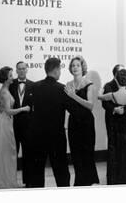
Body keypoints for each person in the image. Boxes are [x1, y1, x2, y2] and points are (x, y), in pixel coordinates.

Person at [28, 58, 75, 188]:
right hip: (56, 135)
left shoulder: (34, 87)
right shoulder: (62, 89)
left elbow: (29, 110)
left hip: (37, 135)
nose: (60, 71)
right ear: (56, 70)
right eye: (60, 69)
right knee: (61, 171)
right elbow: (72, 109)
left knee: (37, 170)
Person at [0, 66, 31, 189]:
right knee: (5, 152)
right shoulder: (4, 91)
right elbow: (8, 111)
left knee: (4, 152)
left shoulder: (4, 90)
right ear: (5, 79)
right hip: (3, 123)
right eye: (10, 76)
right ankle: (2, 181)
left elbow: (1, 106)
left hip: (4, 122)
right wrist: (23, 108)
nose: (12, 77)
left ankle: (2, 179)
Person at [64, 56, 99, 186]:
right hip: (74, 123)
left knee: (87, 154)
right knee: (75, 154)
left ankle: (89, 182)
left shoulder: (89, 84)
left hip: (86, 123)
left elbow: (90, 105)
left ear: (82, 67)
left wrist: (73, 96)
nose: (75, 68)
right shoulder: (68, 85)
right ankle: (80, 183)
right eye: (73, 65)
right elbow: (66, 105)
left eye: (77, 65)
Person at [8, 61, 34, 186]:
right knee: (12, 154)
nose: (22, 70)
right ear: (16, 70)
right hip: (12, 125)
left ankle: (28, 181)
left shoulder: (33, 85)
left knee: (28, 154)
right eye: (19, 69)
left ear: (27, 70)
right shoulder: (10, 85)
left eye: (24, 68)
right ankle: (10, 180)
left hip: (28, 126)